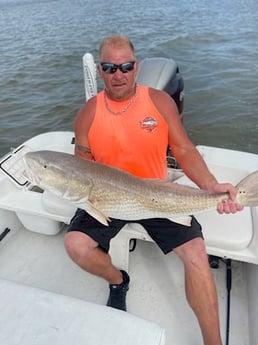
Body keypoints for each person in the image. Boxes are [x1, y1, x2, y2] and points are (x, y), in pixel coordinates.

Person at [64, 35, 243, 345]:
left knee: (198, 255)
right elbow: (83, 167)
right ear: (100, 71)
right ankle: (118, 280)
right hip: (108, 197)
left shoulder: (158, 102)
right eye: (109, 67)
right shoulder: (88, 114)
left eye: (126, 66)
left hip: (157, 196)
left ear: (137, 67)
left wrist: (212, 186)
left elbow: (184, 151)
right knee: (76, 246)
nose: (118, 75)